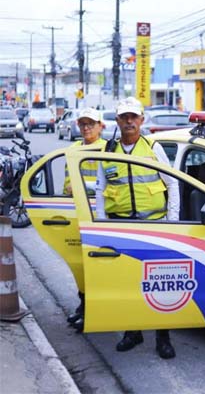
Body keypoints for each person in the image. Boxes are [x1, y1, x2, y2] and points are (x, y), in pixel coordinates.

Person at [95, 96, 180, 359]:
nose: (129, 121)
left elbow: (173, 183)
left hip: (154, 226)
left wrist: (172, 223)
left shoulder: (153, 147)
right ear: (117, 121)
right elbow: (100, 189)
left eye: (134, 116)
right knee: (128, 283)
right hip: (121, 227)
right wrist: (102, 226)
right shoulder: (108, 151)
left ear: (142, 120)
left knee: (159, 284)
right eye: (124, 117)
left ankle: (163, 338)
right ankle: (133, 332)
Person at [64, 108, 106, 333]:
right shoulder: (72, 151)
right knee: (82, 266)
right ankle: (84, 306)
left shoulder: (109, 149)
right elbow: (67, 185)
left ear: (101, 126)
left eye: (91, 123)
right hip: (80, 215)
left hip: (103, 217)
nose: (87, 128)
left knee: (100, 267)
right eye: (83, 124)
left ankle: (95, 311)